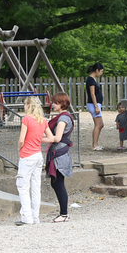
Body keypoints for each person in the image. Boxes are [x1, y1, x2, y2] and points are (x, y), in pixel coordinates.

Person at [15, 96, 49, 225]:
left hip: (27, 155)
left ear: (28, 106)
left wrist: (20, 148)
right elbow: (50, 137)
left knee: (23, 186)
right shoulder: (43, 120)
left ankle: (26, 217)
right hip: (38, 155)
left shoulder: (26, 119)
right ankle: (35, 217)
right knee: (35, 186)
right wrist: (37, 138)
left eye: (25, 104)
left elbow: (21, 140)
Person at [43, 93, 74, 223]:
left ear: (62, 103)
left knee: (58, 183)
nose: (53, 104)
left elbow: (57, 138)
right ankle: (63, 213)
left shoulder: (63, 119)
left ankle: (64, 214)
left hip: (59, 155)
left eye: (55, 103)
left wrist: (36, 138)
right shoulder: (62, 117)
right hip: (58, 153)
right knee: (56, 183)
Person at [85, 62, 105, 151]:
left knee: (101, 124)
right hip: (93, 105)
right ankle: (94, 145)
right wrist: (96, 106)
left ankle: (96, 144)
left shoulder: (93, 79)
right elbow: (92, 94)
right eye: (101, 71)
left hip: (96, 104)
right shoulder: (90, 80)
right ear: (97, 70)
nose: (101, 73)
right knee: (98, 124)